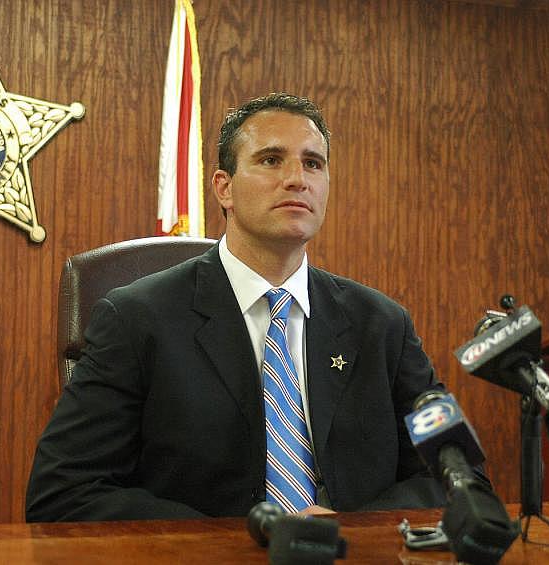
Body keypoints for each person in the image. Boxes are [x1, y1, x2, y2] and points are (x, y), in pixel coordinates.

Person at [26, 93, 446, 522]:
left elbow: (460, 475)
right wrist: (236, 541)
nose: (297, 179)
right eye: (270, 160)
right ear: (223, 187)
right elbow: (62, 493)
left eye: (313, 163)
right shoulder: (136, 318)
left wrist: (354, 530)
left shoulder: (384, 325)